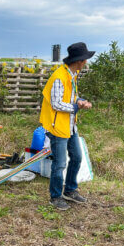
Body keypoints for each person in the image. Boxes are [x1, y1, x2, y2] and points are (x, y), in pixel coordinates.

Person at [39, 42, 93, 211]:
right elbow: (56, 104)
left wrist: (80, 101)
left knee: (77, 157)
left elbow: (72, 97)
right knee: (60, 163)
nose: (86, 63)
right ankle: (55, 197)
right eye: (85, 60)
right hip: (57, 127)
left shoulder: (71, 75)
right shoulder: (59, 77)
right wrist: (77, 107)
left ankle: (70, 190)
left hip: (70, 126)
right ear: (79, 61)